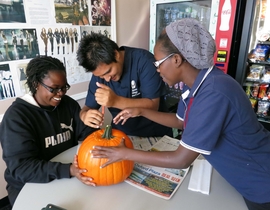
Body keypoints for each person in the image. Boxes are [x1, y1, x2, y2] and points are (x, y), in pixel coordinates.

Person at [90, 19, 270, 210]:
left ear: (176, 59)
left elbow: (181, 159)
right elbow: (180, 121)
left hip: (261, 182)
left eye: (158, 63)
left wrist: (125, 153)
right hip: (243, 177)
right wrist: (141, 110)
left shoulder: (214, 93)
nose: (156, 69)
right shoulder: (195, 86)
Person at [0, 56, 96, 206]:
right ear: (35, 84)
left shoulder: (68, 104)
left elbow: (87, 135)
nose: (61, 93)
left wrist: (95, 129)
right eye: (54, 88)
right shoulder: (16, 117)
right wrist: (68, 170)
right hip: (28, 185)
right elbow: (22, 168)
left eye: (64, 87)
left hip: (66, 173)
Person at [76, 32, 173, 137]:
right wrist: (85, 116)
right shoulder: (100, 74)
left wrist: (115, 101)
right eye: (101, 76)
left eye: (108, 72)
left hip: (155, 133)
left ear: (116, 55)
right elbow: (87, 108)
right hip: (120, 135)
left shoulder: (144, 61)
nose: (107, 79)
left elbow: (153, 105)